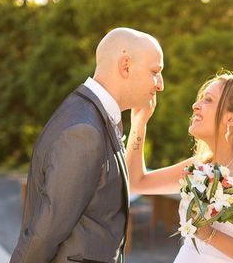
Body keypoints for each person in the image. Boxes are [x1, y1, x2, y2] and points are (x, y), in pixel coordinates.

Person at [11, 27, 164, 263]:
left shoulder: (91, 115)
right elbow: (44, 234)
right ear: (125, 66)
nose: (160, 84)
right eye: (155, 71)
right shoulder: (84, 130)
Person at [126, 71, 233, 263]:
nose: (195, 105)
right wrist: (139, 124)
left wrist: (209, 234)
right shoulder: (198, 166)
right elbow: (136, 183)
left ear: (232, 119)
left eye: (208, 100)